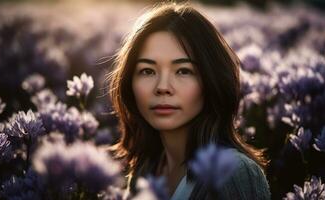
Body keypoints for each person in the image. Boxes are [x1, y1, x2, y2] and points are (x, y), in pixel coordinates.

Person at [108, 2, 271, 199]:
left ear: (210, 80)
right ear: (130, 82)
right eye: (148, 71)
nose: (163, 87)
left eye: (183, 71)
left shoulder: (235, 172)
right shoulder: (146, 167)